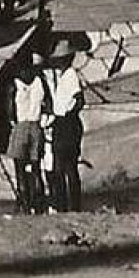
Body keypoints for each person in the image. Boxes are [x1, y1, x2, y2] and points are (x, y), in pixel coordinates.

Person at [41, 50, 85, 212]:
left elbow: (79, 99)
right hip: (63, 122)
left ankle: (67, 204)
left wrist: (67, 115)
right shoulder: (64, 76)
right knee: (65, 167)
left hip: (66, 123)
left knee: (65, 166)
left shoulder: (70, 75)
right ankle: (68, 204)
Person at [8, 54, 50, 215]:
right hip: (36, 125)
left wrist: (13, 123)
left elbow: (10, 110)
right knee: (35, 167)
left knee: (19, 168)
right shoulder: (41, 82)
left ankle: (25, 202)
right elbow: (48, 104)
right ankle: (38, 202)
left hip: (21, 125)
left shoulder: (15, 84)